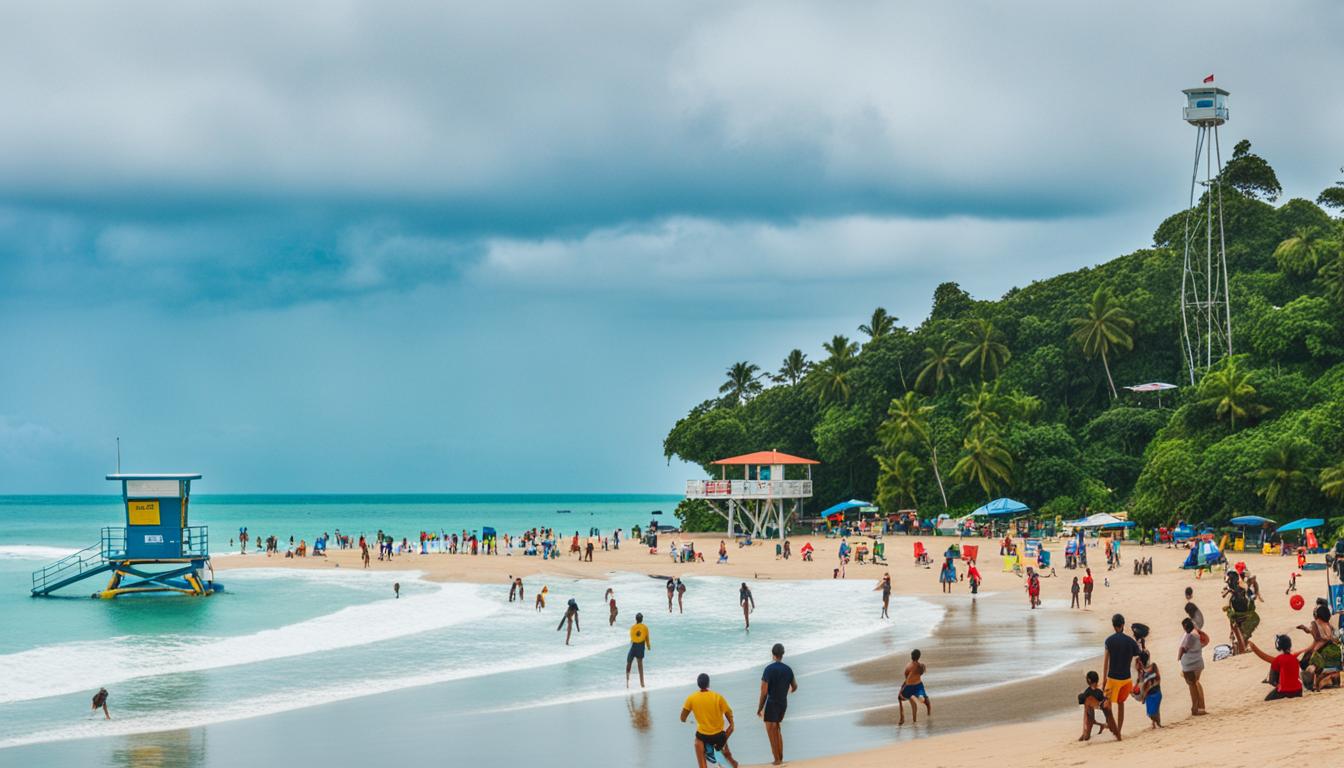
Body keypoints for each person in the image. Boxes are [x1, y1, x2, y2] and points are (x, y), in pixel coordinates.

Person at [680, 673, 738, 768]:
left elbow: (682, 718)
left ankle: (704, 763)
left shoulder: (691, 698)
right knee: (722, 744)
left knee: (697, 743)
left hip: (703, 736)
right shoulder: (718, 697)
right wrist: (731, 724)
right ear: (708, 684)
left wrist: (690, 718)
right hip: (719, 736)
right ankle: (726, 757)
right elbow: (728, 712)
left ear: (698, 684)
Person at [1101, 613, 1140, 735]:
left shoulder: (1109, 641)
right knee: (1120, 703)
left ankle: (1112, 726)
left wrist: (1104, 681)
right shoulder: (1130, 641)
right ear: (1123, 625)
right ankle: (1119, 730)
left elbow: (1106, 663)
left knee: (1108, 704)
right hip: (1126, 679)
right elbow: (1136, 653)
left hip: (1112, 678)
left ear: (1113, 626)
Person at [757, 643, 796, 766]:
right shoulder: (788, 669)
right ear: (782, 654)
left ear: (773, 655)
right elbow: (794, 686)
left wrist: (760, 708)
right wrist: (786, 692)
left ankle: (777, 759)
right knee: (777, 729)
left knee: (771, 731)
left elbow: (763, 691)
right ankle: (780, 757)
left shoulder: (769, 669)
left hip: (772, 703)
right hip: (783, 703)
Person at [1249, 635, 1304, 700]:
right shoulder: (1295, 659)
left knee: (1267, 699)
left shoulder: (1278, 659)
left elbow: (1271, 680)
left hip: (1285, 692)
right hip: (1298, 691)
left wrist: (1278, 685)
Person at [1177, 616, 1208, 716]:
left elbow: (1183, 648)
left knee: (1192, 685)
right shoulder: (1197, 633)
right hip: (1198, 663)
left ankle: (1196, 708)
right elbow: (1206, 641)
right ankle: (1201, 707)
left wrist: (1179, 657)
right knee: (1196, 683)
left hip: (1189, 665)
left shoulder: (1190, 636)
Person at [1077, 671, 1120, 741]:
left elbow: (1085, 711)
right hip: (1103, 715)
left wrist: (1084, 729)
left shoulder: (1087, 693)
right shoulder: (1100, 692)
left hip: (1092, 716)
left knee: (1086, 736)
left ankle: (1094, 728)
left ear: (1089, 680)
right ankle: (1103, 725)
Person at [897, 649, 931, 724]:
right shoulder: (921, 666)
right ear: (919, 657)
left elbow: (907, 678)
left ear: (911, 656)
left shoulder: (909, 665)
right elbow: (920, 673)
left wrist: (903, 687)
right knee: (923, 700)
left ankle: (902, 718)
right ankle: (921, 715)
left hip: (909, 686)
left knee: (900, 698)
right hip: (918, 685)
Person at [1134, 650, 1162, 728]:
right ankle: (1156, 724)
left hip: (1152, 694)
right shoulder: (1153, 666)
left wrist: (1144, 698)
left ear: (1141, 662)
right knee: (1155, 711)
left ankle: (1158, 724)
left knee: (1151, 713)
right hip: (1156, 693)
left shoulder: (1145, 672)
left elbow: (1147, 687)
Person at [626, 613, 651, 688]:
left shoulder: (633, 627)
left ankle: (627, 682)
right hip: (640, 646)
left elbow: (632, 637)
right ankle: (642, 683)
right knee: (640, 665)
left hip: (634, 646)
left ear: (636, 619)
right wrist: (648, 646)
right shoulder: (645, 627)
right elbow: (647, 638)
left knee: (629, 662)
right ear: (642, 619)